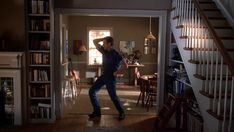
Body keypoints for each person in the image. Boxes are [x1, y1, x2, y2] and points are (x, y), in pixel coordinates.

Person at [88, 36, 126, 120]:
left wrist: (117, 72)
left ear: (109, 44)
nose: (103, 44)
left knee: (113, 97)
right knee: (91, 91)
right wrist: (104, 38)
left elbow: (125, 65)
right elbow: (94, 41)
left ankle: (121, 112)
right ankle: (97, 112)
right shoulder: (104, 51)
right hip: (104, 76)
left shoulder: (116, 54)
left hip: (111, 78)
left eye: (104, 43)